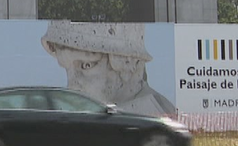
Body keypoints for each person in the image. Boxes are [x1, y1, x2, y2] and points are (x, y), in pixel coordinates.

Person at [41, 21, 176, 116]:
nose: (72, 86)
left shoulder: (151, 123)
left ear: (128, 62)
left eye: (86, 65)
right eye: (67, 69)